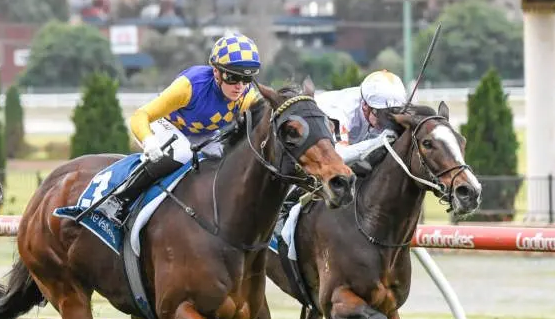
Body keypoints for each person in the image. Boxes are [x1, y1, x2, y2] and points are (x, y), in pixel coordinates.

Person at [106, 33, 262, 223]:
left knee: (227, 159)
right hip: (165, 124)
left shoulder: (246, 96)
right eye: (232, 77)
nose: (239, 87)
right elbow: (140, 116)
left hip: (203, 134)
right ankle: (120, 199)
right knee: (181, 152)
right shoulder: (189, 86)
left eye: (246, 79)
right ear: (216, 72)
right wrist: (148, 141)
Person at [281, 69, 407, 215]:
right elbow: (337, 157)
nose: (387, 121)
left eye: (393, 112)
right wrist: (380, 140)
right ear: (365, 106)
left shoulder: (375, 109)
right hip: (306, 152)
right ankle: (284, 213)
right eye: (383, 115)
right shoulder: (341, 111)